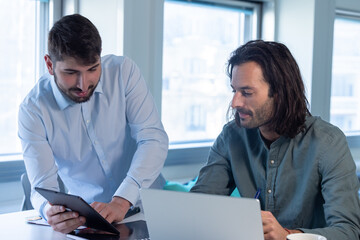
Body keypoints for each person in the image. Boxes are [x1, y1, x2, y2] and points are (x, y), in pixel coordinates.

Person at [190, 40, 360, 240]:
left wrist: (288, 236)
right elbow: (197, 206)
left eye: (247, 92)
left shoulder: (328, 142)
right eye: (234, 90)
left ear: (279, 93)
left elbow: (348, 231)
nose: (235, 103)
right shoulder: (231, 136)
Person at [18, 14, 168, 234]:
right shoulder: (33, 110)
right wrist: (49, 210)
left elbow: (153, 139)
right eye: (71, 73)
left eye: (92, 69)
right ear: (50, 65)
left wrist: (122, 199)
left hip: (151, 208)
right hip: (93, 221)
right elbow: (42, 187)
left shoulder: (123, 72)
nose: (83, 84)